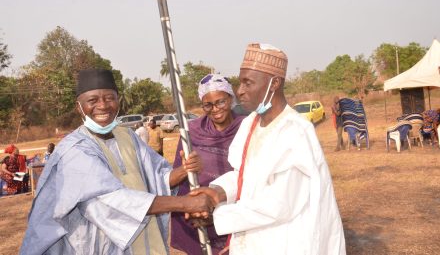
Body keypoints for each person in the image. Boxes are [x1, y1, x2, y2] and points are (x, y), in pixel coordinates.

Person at [21, 69, 215, 255]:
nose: (103, 105)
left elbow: (156, 179)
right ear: (78, 106)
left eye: (109, 98)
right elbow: (111, 200)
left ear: (118, 100)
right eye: (93, 100)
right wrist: (185, 204)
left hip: (144, 243)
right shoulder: (74, 150)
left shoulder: (128, 136)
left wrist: (183, 171)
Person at [190, 43, 346, 254]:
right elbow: (244, 175)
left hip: (286, 243)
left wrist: (215, 216)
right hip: (255, 240)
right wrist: (217, 192)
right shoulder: (251, 123)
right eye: (240, 82)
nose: (240, 91)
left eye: (248, 83)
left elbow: (280, 204)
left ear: (274, 83)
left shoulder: (295, 131)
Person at [170, 74, 246, 255]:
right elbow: (175, 179)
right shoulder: (191, 133)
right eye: (208, 105)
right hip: (200, 219)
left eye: (221, 102)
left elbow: (253, 178)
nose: (215, 109)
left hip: (236, 218)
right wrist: (186, 168)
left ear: (231, 99)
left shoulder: (246, 128)